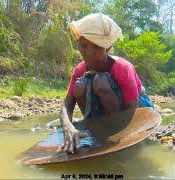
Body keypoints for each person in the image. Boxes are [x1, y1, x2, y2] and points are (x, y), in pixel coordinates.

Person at [60, 13, 153, 153]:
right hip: (104, 113)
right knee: (79, 86)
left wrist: (120, 136)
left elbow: (131, 111)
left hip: (133, 108)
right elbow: (67, 105)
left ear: (107, 48)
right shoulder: (80, 69)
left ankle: (112, 131)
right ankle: (95, 125)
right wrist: (68, 127)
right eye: (84, 46)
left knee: (100, 81)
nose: (89, 53)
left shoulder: (123, 68)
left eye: (97, 47)